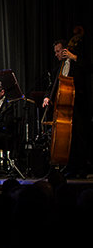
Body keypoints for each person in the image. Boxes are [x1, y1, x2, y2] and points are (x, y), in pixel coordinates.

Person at [42, 30, 91, 178]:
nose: (56, 54)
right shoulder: (57, 68)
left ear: (65, 50)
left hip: (78, 106)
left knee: (79, 138)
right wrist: (47, 97)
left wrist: (73, 57)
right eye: (55, 52)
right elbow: (52, 86)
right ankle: (70, 166)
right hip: (63, 109)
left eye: (58, 51)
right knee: (69, 141)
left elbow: (89, 68)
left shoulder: (77, 63)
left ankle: (82, 168)